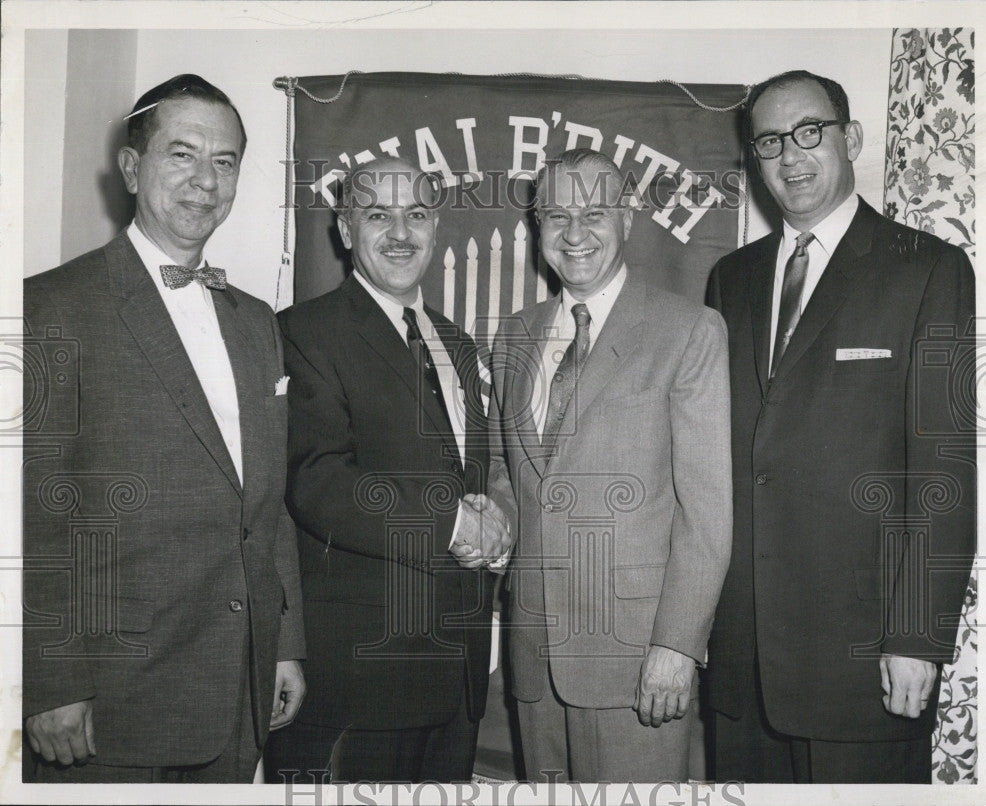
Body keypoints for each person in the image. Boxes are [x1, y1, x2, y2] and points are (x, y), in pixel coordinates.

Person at [22, 74, 306, 783]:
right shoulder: (49, 307)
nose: (205, 182)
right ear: (130, 168)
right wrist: (49, 681)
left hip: (240, 689)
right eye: (182, 155)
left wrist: (285, 641)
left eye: (225, 161)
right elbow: (29, 512)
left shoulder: (255, 321)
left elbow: (268, 502)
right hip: (112, 703)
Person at [705, 69, 976, 783]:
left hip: (864, 665)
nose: (791, 155)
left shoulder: (928, 269)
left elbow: (944, 473)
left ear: (849, 138)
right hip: (741, 665)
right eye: (769, 141)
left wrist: (917, 638)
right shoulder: (729, 280)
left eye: (809, 133)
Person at [487, 148, 733, 782]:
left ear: (626, 217)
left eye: (593, 213)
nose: (574, 234)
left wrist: (677, 646)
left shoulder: (689, 331)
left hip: (638, 660)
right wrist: (490, 525)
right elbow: (508, 480)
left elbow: (706, 513)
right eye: (555, 215)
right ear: (536, 227)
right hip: (534, 655)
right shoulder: (514, 335)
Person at [265, 156, 510, 783]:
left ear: (437, 227)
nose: (401, 233)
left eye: (417, 215)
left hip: (456, 676)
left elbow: (474, 473)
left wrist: (501, 517)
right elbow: (317, 482)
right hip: (362, 681)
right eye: (378, 215)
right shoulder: (302, 332)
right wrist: (455, 525)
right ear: (346, 231)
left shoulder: (455, 342)